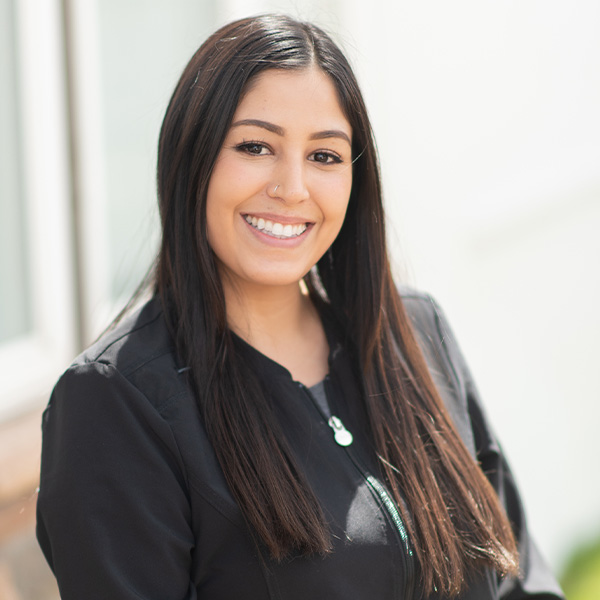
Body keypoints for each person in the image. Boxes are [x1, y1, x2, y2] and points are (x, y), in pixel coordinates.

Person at [36, 14, 565, 600]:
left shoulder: (416, 332)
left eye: (325, 156)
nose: (292, 188)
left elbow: (518, 577)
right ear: (192, 158)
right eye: (255, 146)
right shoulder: (116, 403)